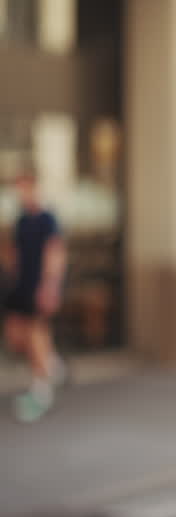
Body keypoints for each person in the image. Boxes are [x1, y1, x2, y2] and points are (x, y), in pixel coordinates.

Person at [3, 170, 67, 423]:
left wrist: (50, 286)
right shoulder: (21, 220)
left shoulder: (47, 219)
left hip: (40, 285)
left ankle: (42, 392)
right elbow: (14, 254)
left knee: (36, 335)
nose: (21, 193)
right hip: (21, 285)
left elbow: (56, 252)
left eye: (25, 187)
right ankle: (54, 368)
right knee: (17, 336)